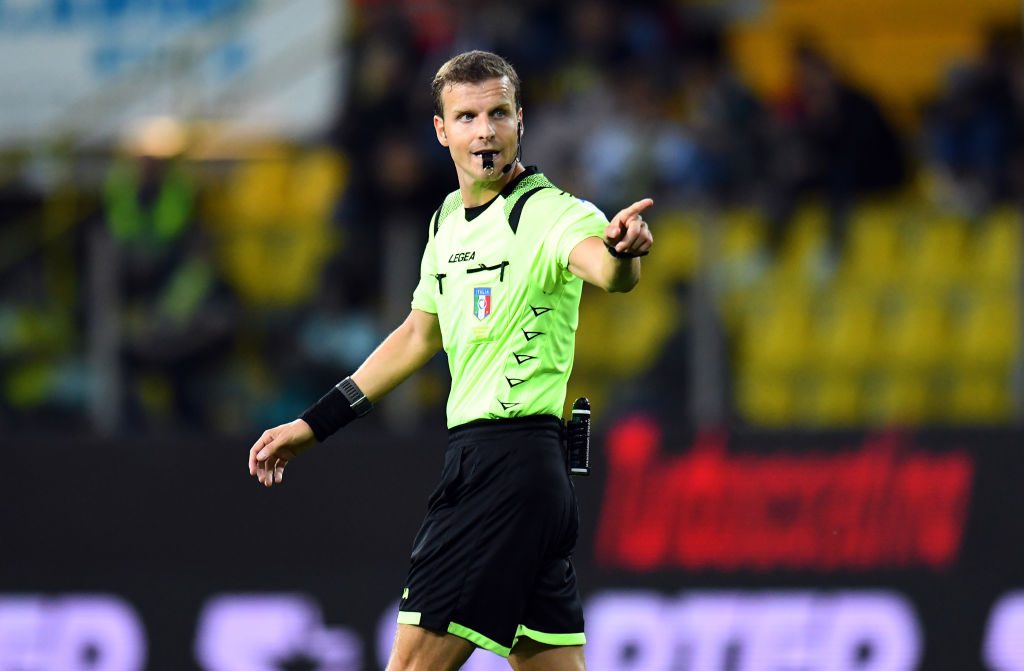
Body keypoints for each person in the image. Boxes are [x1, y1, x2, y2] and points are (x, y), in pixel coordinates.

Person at [248, 50, 653, 671]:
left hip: (506, 466)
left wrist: (623, 254)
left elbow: (606, 269)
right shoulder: (446, 222)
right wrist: (314, 424)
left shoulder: (550, 211)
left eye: (498, 114)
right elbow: (418, 335)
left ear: (521, 120)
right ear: (441, 131)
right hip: (521, 476)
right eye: (467, 117)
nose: (484, 131)